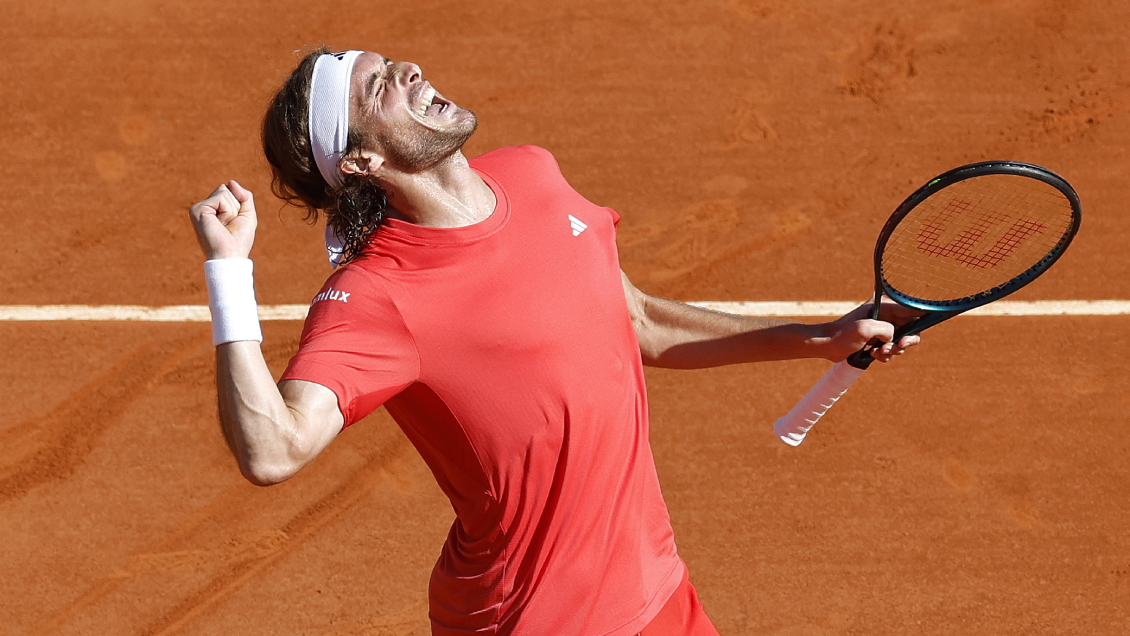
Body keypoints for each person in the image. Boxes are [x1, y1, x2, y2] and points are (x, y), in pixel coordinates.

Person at [187, 48, 919, 636]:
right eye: (377, 88)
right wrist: (228, 271)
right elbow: (271, 448)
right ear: (360, 163)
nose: (406, 70)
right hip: (539, 616)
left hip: (653, 584)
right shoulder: (379, 297)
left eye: (391, 64)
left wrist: (821, 336)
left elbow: (637, 321)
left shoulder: (533, 174)